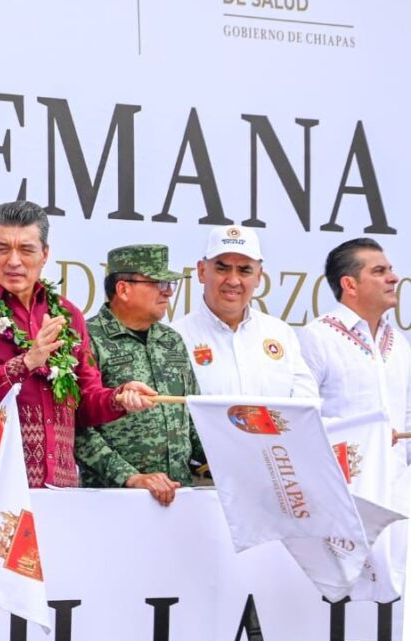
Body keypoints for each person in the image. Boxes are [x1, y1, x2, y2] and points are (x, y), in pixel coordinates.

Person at [0, 200, 156, 488]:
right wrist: (25, 363)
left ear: (45, 254)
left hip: (61, 491)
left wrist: (120, 399)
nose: (13, 261)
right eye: (3, 248)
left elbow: (85, 403)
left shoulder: (68, 315)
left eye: (26, 249)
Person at [296, 238, 410, 601]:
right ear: (349, 284)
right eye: (379, 271)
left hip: (397, 494)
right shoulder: (318, 337)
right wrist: (364, 439)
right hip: (346, 497)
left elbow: (404, 413)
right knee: (343, 604)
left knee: (396, 604)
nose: (393, 278)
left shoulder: (399, 342)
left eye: (390, 269)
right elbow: (302, 417)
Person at [74, 244, 206, 506]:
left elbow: (193, 415)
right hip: (114, 499)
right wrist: (131, 477)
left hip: (180, 497)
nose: (168, 292)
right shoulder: (86, 338)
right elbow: (76, 427)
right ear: (123, 289)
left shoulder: (171, 340)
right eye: (158, 283)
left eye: (169, 284)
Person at [171, 225, 316, 397]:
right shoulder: (174, 338)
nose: (233, 280)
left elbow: (306, 405)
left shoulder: (281, 333)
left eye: (245, 270)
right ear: (202, 271)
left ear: (259, 277)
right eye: (222, 268)